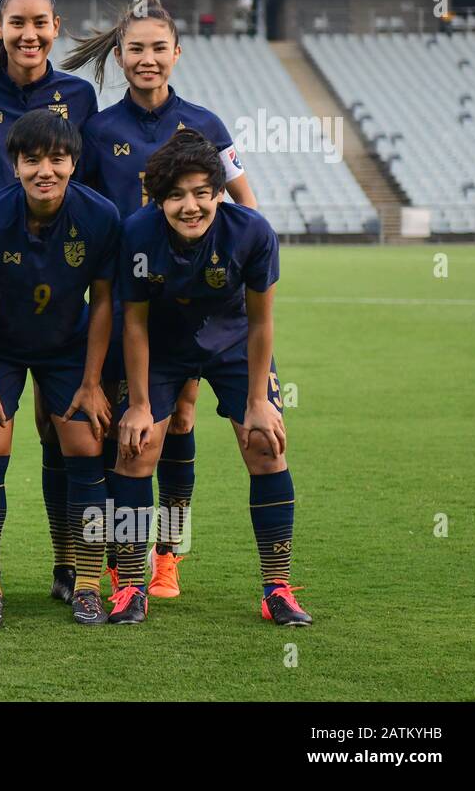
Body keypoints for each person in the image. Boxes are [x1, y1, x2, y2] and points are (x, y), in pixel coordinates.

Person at [66, 0, 258, 598]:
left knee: (179, 422)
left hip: (196, 303)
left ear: (176, 52)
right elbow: (87, 214)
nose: (147, 59)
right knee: (126, 427)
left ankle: (168, 552)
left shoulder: (206, 124)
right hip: (128, 302)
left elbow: (246, 205)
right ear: (119, 57)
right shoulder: (98, 130)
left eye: (158, 48)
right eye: (135, 49)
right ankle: (122, 560)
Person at [113, 129, 310, 627]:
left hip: (231, 345)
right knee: (135, 449)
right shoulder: (136, 234)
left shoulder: (251, 232)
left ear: (220, 191)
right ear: (158, 199)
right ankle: (132, 586)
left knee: (266, 444)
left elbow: (261, 322)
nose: (191, 205)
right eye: (177, 195)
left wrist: (258, 400)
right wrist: (138, 403)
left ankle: (278, 589)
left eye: (203, 192)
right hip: (161, 348)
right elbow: (133, 322)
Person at [0, 0, 99, 604]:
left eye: (40, 23)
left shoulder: (79, 97)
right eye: (17, 23)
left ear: (56, 27)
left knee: (73, 436)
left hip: (63, 295)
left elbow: (90, 189)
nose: (29, 34)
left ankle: (77, 572)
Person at [0, 110, 119, 627]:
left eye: (56, 158)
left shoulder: (100, 217)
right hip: (1, 348)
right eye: (32, 160)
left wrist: (94, 383)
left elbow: (103, 304)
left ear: (73, 162)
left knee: (85, 444)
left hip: (68, 349)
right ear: (15, 165)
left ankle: (85, 583)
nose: (44, 170)